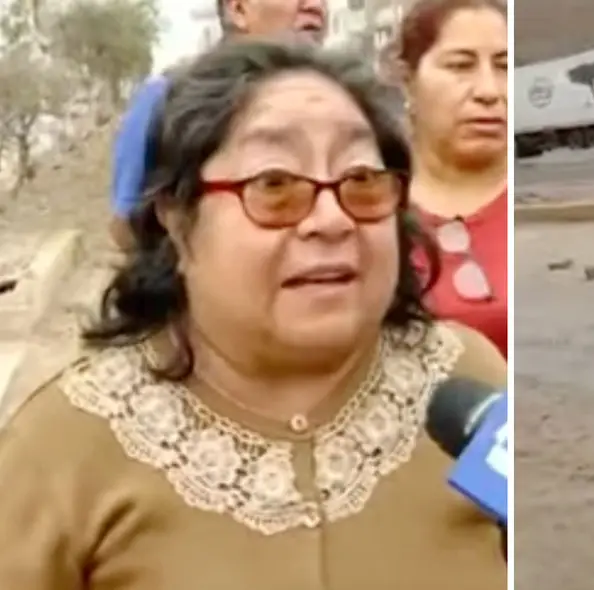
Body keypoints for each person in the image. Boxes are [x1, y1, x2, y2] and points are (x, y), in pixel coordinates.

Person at [0, 40, 506, 589]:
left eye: (361, 181)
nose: (331, 220)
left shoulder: (470, 384)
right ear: (176, 217)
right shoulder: (63, 444)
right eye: (274, 186)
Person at [108, 0, 330, 250]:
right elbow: (125, 224)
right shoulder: (166, 98)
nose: (315, 5)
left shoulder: (339, 103)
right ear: (238, 9)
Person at [391, 0, 508, 356]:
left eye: (503, 67)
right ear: (408, 83)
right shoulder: (368, 206)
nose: (489, 91)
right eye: (460, 66)